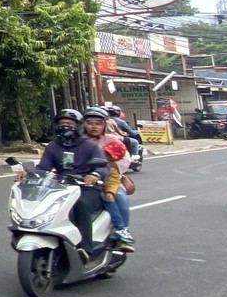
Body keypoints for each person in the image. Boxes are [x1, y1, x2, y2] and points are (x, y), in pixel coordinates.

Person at [17, 108, 110, 259]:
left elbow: (104, 167)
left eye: (69, 123)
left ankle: (85, 248)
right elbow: (43, 168)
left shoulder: (90, 146)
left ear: (78, 126)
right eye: (62, 123)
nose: (65, 126)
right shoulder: (53, 146)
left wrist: (94, 175)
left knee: (80, 205)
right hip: (63, 188)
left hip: (87, 188)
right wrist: (27, 173)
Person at [99, 117, 137, 251]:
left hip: (104, 184)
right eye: (89, 122)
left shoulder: (112, 141)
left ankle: (122, 229)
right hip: (79, 182)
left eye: (97, 123)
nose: (93, 126)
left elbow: (114, 178)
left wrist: (110, 191)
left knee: (118, 197)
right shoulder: (79, 141)